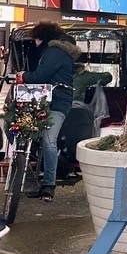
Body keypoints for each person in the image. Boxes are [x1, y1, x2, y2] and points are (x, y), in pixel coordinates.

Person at [19, 21, 82, 201]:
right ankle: (36, 178)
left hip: (55, 103)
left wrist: (23, 75)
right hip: (48, 101)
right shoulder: (57, 52)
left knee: (48, 140)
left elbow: (39, 76)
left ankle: (48, 185)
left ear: (42, 37)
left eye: (36, 39)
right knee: (42, 139)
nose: (35, 43)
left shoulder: (53, 52)